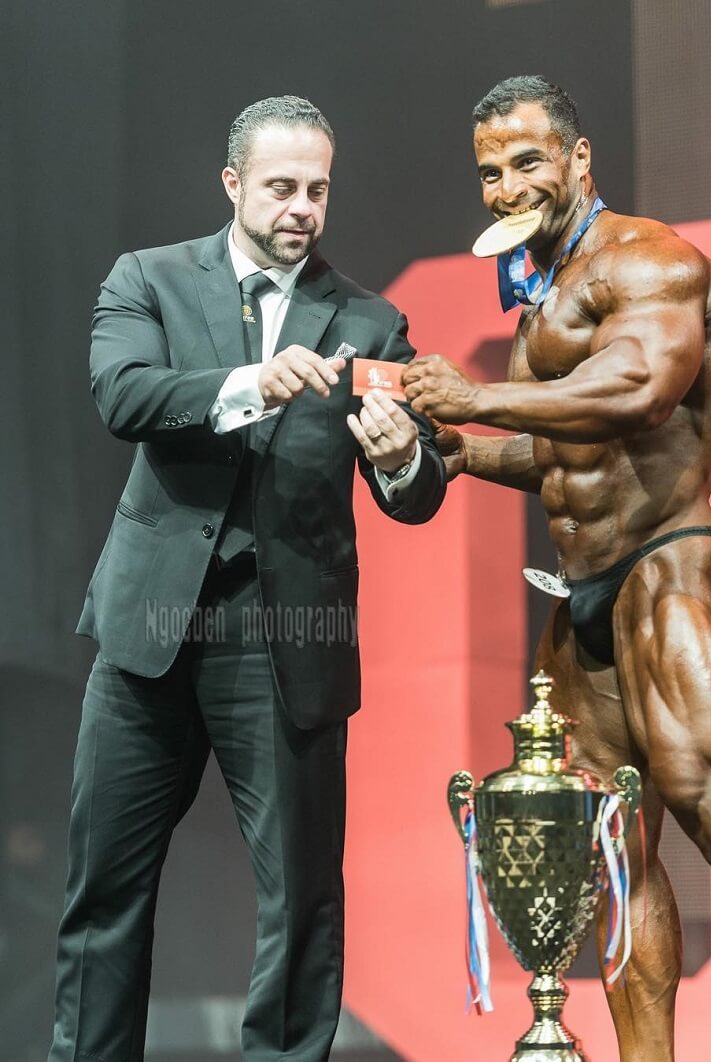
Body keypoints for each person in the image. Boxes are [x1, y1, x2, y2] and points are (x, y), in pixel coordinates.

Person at [404, 76, 711, 1062]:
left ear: (579, 161)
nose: (506, 187)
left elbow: (635, 389)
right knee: (611, 854)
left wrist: (478, 399)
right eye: (489, 172)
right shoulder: (540, 296)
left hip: (668, 573)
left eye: (528, 161)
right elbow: (554, 455)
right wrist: (445, 444)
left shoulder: (649, 260)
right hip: (581, 598)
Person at [49, 95, 445, 1062]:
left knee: (303, 899)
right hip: (150, 631)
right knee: (105, 893)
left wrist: (399, 456)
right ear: (233, 185)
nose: (301, 206)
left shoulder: (368, 321)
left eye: (317, 188)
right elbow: (123, 392)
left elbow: (421, 489)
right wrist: (249, 384)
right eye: (281, 187)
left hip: (285, 643)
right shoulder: (147, 279)